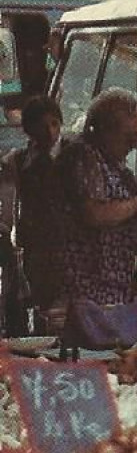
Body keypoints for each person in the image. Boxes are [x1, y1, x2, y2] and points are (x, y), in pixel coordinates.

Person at [59, 88, 137, 307]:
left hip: (113, 286)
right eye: (130, 137)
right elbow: (95, 213)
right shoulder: (84, 156)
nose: (134, 145)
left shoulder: (117, 166)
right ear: (106, 128)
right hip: (87, 286)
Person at [5, 95, 67, 316]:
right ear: (29, 129)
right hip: (37, 247)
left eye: (54, 124)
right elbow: (19, 200)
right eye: (42, 127)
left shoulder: (73, 154)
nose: (50, 132)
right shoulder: (19, 160)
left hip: (69, 243)